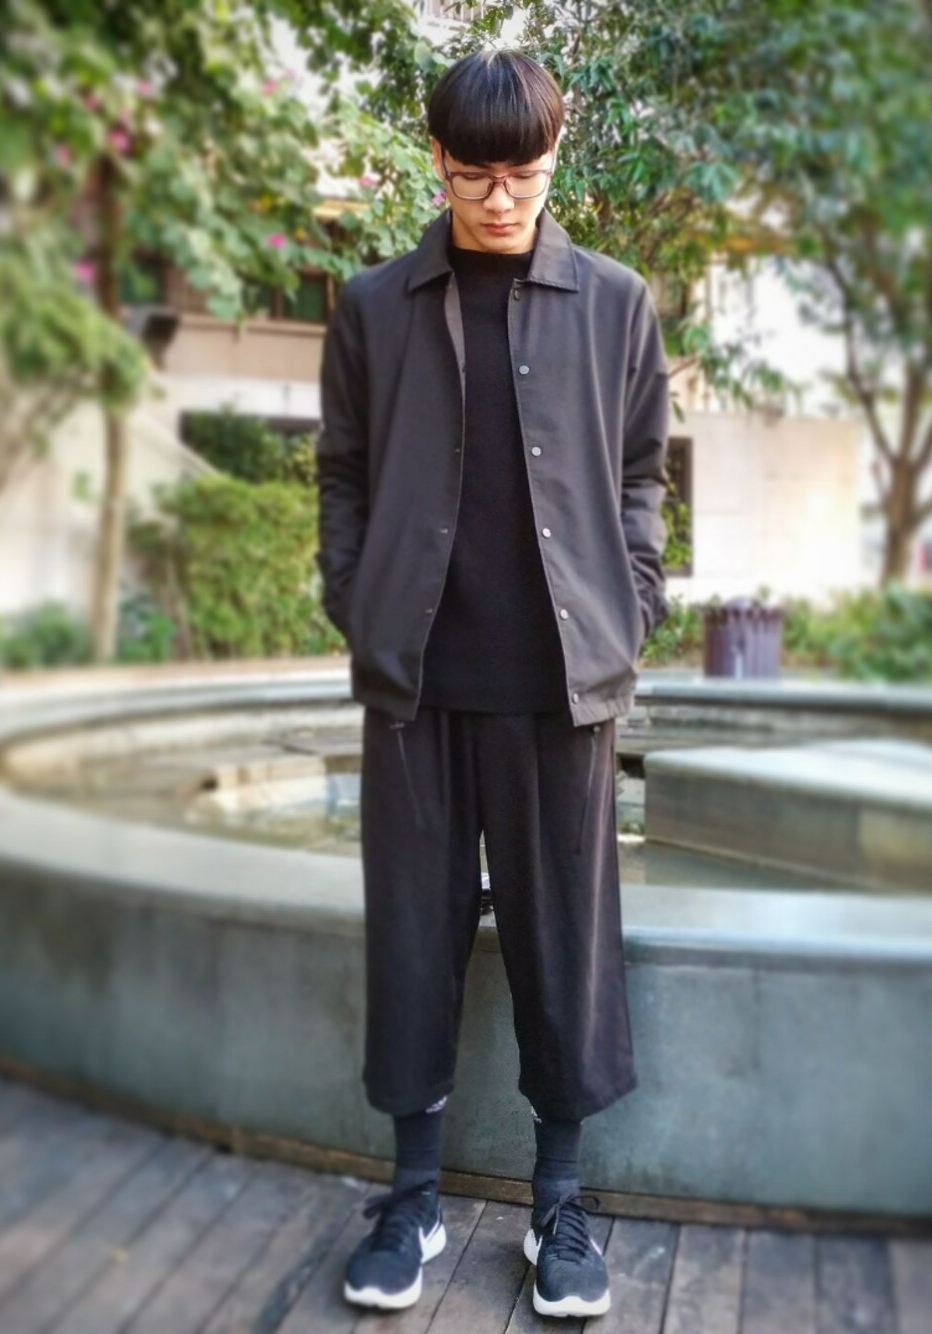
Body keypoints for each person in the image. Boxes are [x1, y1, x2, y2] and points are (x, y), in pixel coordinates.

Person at [315, 47, 671, 1320]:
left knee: (561, 941)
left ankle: (557, 1202)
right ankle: (410, 1197)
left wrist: (633, 600)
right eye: (475, 172)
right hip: (414, 684)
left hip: (559, 686)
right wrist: (356, 602)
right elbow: (343, 473)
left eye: (523, 171)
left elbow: (642, 472)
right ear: (438, 162)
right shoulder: (373, 306)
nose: (501, 196)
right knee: (412, 934)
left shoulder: (616, 302)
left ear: (553, 158)